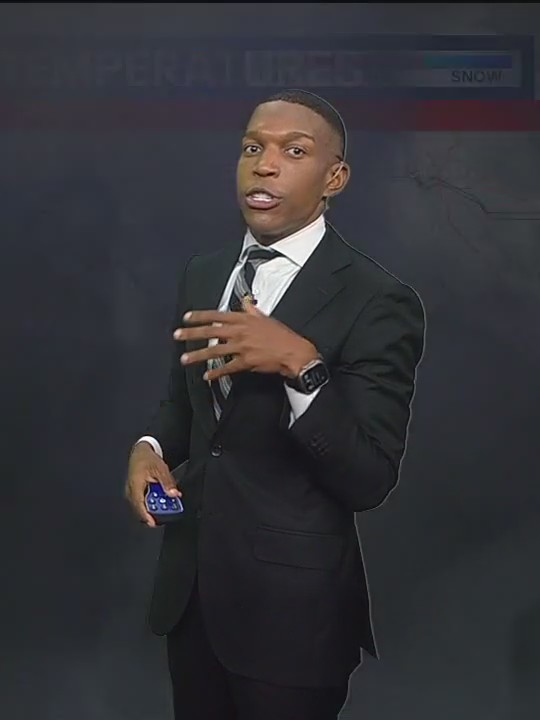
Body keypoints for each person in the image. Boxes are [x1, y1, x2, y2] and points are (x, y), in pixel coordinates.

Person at [123, 89, 426, 719]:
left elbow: (369, 477)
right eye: (252, 147)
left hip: (294, 620)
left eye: (294, 151)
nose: (264, 165)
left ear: (334, 179)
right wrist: (150, 450)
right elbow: (184, 405)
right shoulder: (205, 274)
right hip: (193, 601)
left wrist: (301, 366)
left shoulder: (378, 300)